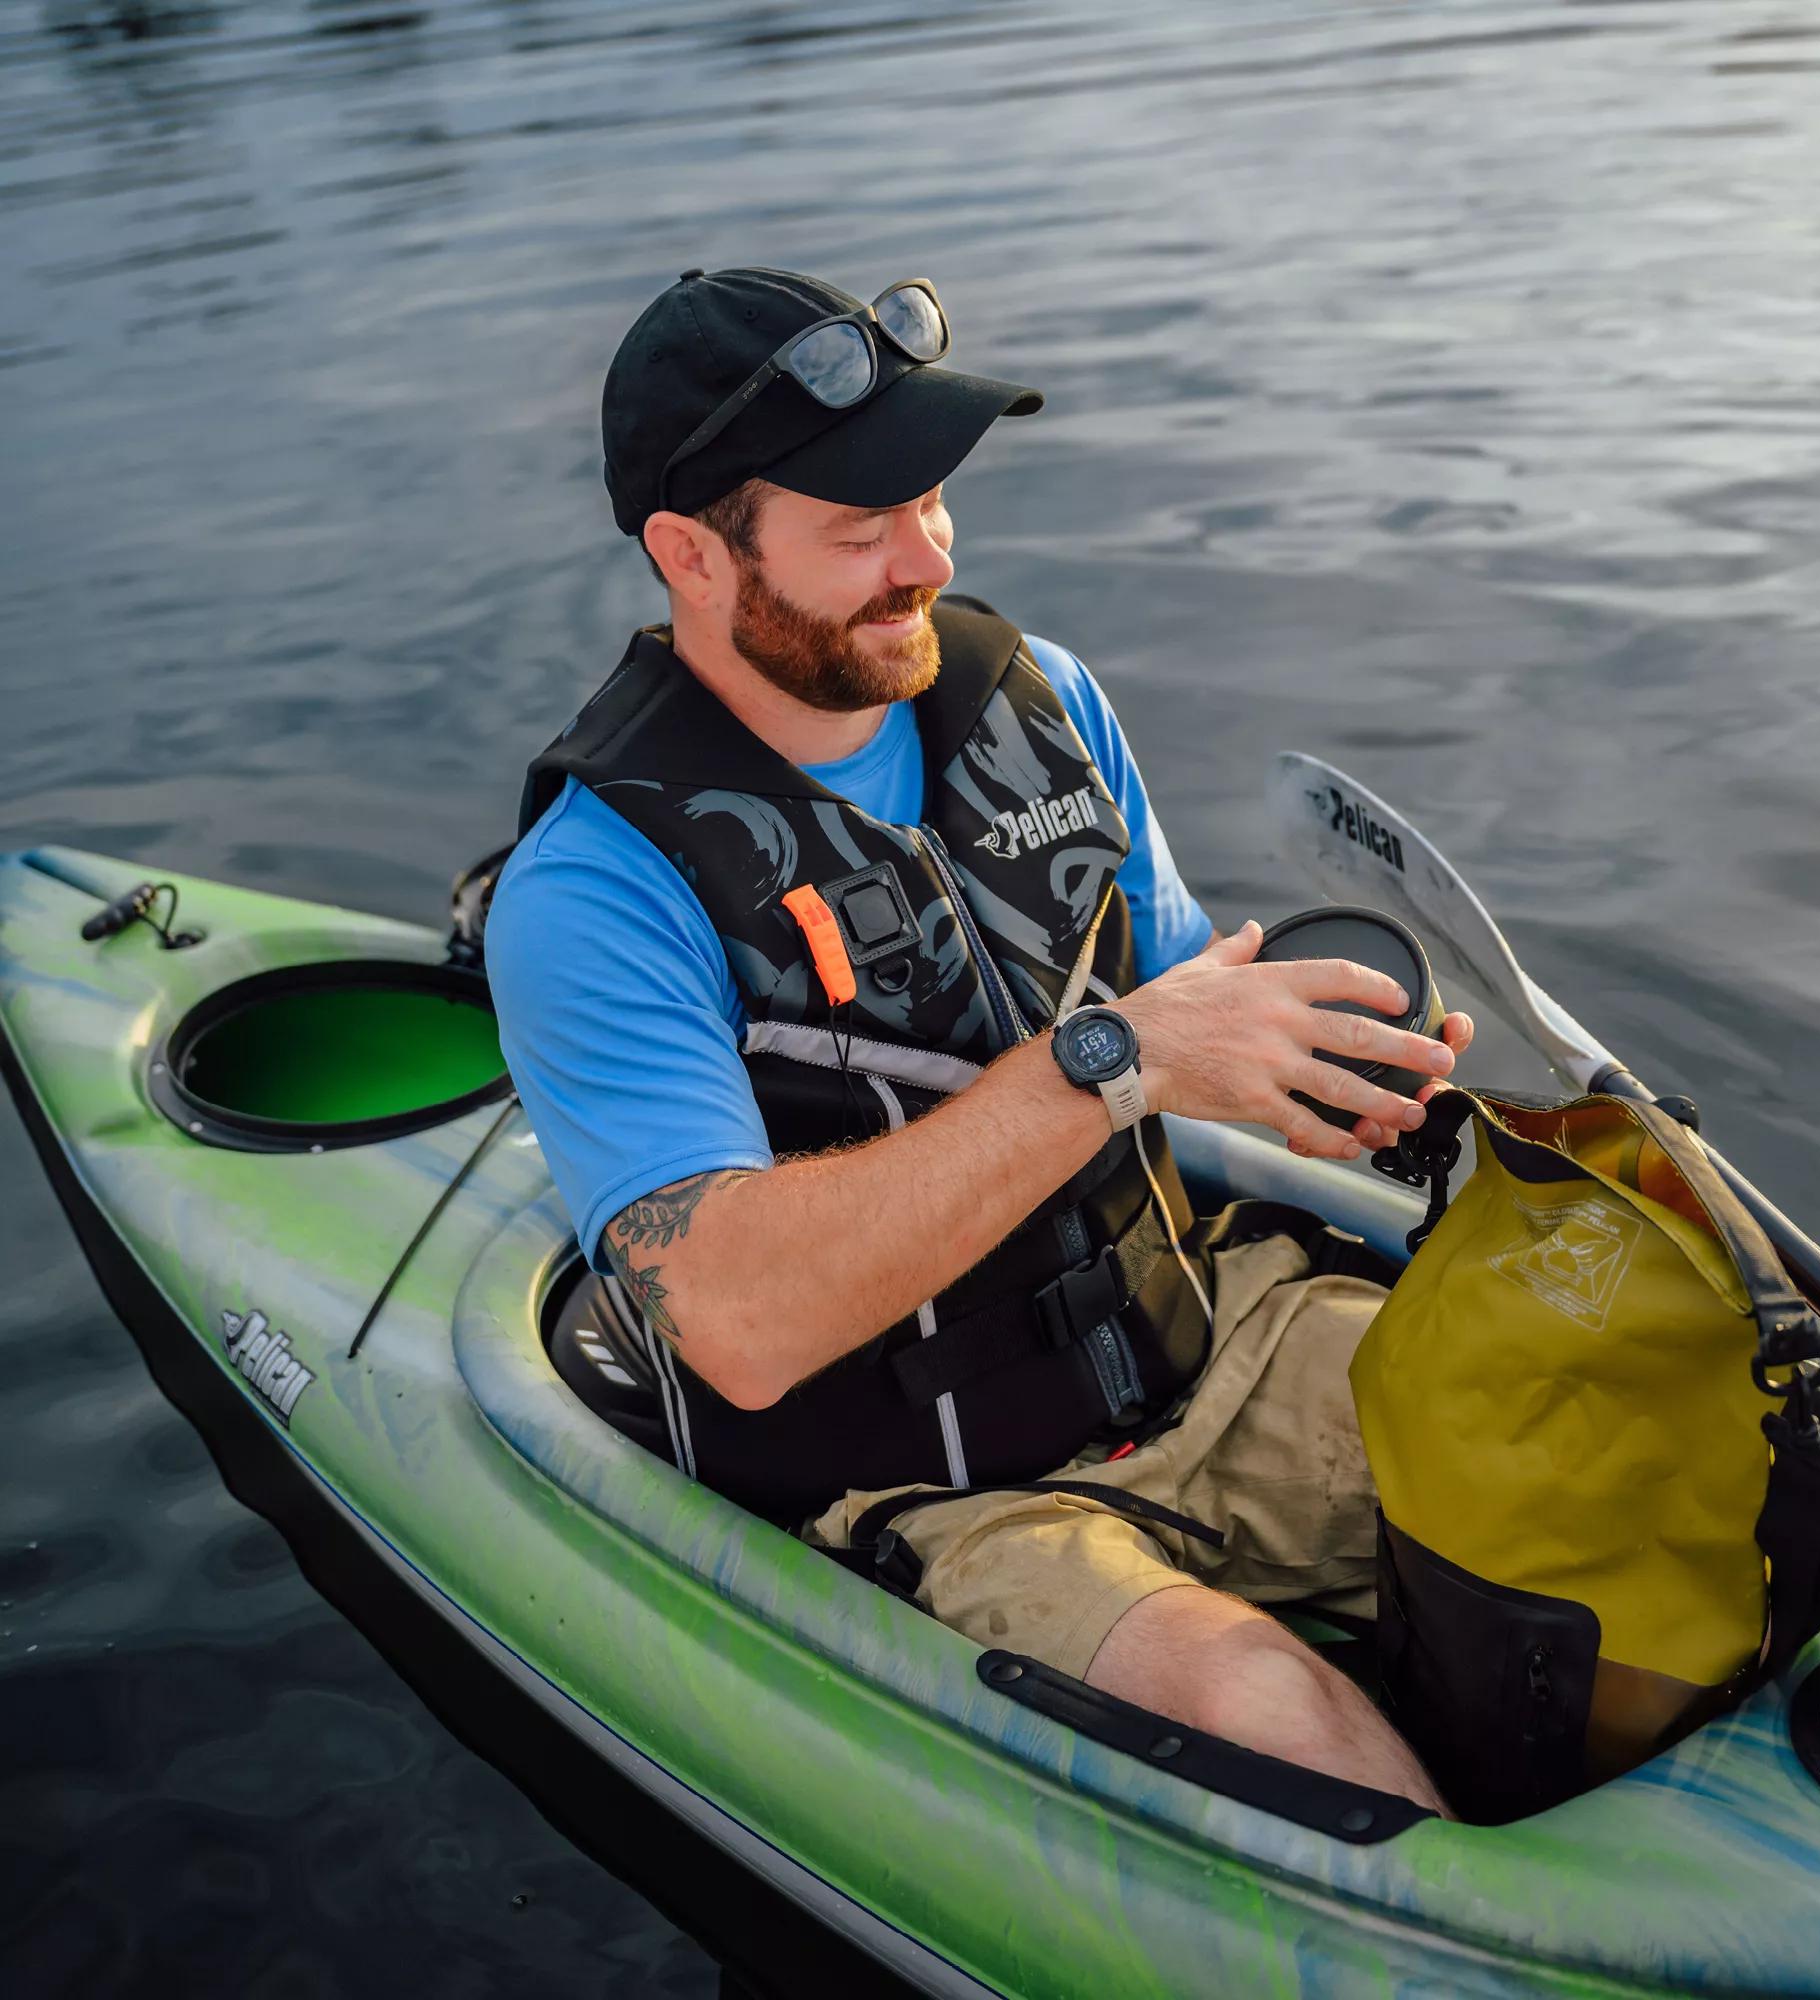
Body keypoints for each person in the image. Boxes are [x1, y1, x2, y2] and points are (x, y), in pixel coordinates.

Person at [486, 267, 1476, 1814]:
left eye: (934, 501)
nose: (925, 557)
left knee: (1603, 1415)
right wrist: (1112, 1067)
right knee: (1276, 1725)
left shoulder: (1041, 700)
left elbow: (1182, 991)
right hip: (942, 1496)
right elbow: (733, 1321)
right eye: (859, 527)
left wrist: (1353, 1077)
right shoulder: (594, 892)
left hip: (1209, 1339)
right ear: (690, 555)